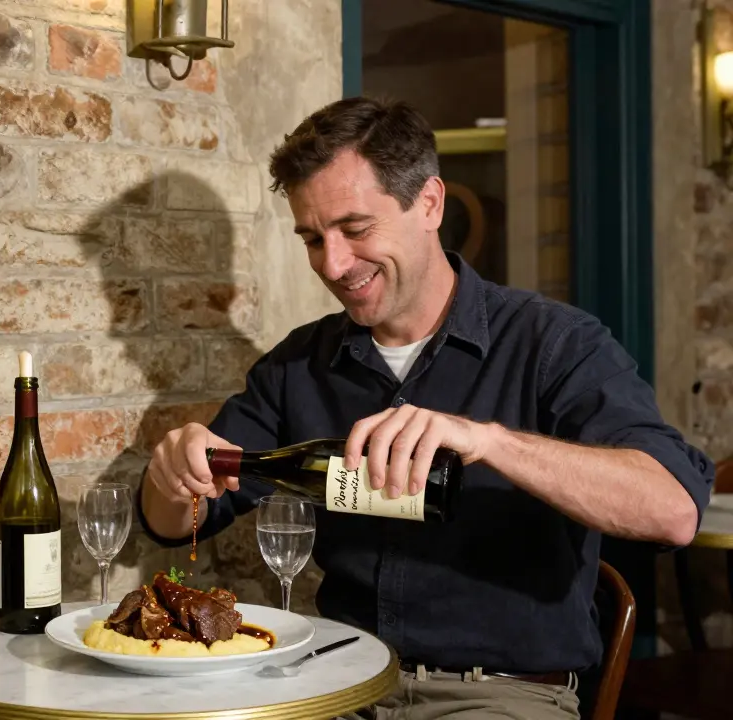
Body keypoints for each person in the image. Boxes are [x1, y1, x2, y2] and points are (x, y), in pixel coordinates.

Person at [138, 95, 714, 719]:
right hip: (342, 681)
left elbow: (673, 511)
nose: (333, 264)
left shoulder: (555, 344)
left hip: (500, 694)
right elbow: (178, 521)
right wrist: (174, 473)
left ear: (431, 203)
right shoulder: (298, 364)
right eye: (313, 238)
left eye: (356, 229)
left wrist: (490, 441)